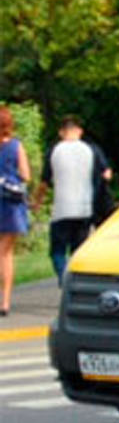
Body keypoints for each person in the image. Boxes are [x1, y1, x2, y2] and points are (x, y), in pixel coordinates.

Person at [41, 116, 112, 285]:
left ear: (61, 132)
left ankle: (63, 277)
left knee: (57, 251)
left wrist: (38, 201)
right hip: (84, 208)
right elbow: (107, 174)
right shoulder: (91, 149)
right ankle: (74, 280)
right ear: (80, 131)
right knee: (78, 249)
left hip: (61, 210)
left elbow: (44, 182)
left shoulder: (54, 151)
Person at [0, 107, 32, 316]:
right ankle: (5, 302)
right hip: (10, 204)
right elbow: (26, 175)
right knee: (6, 253)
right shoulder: (16, 146)